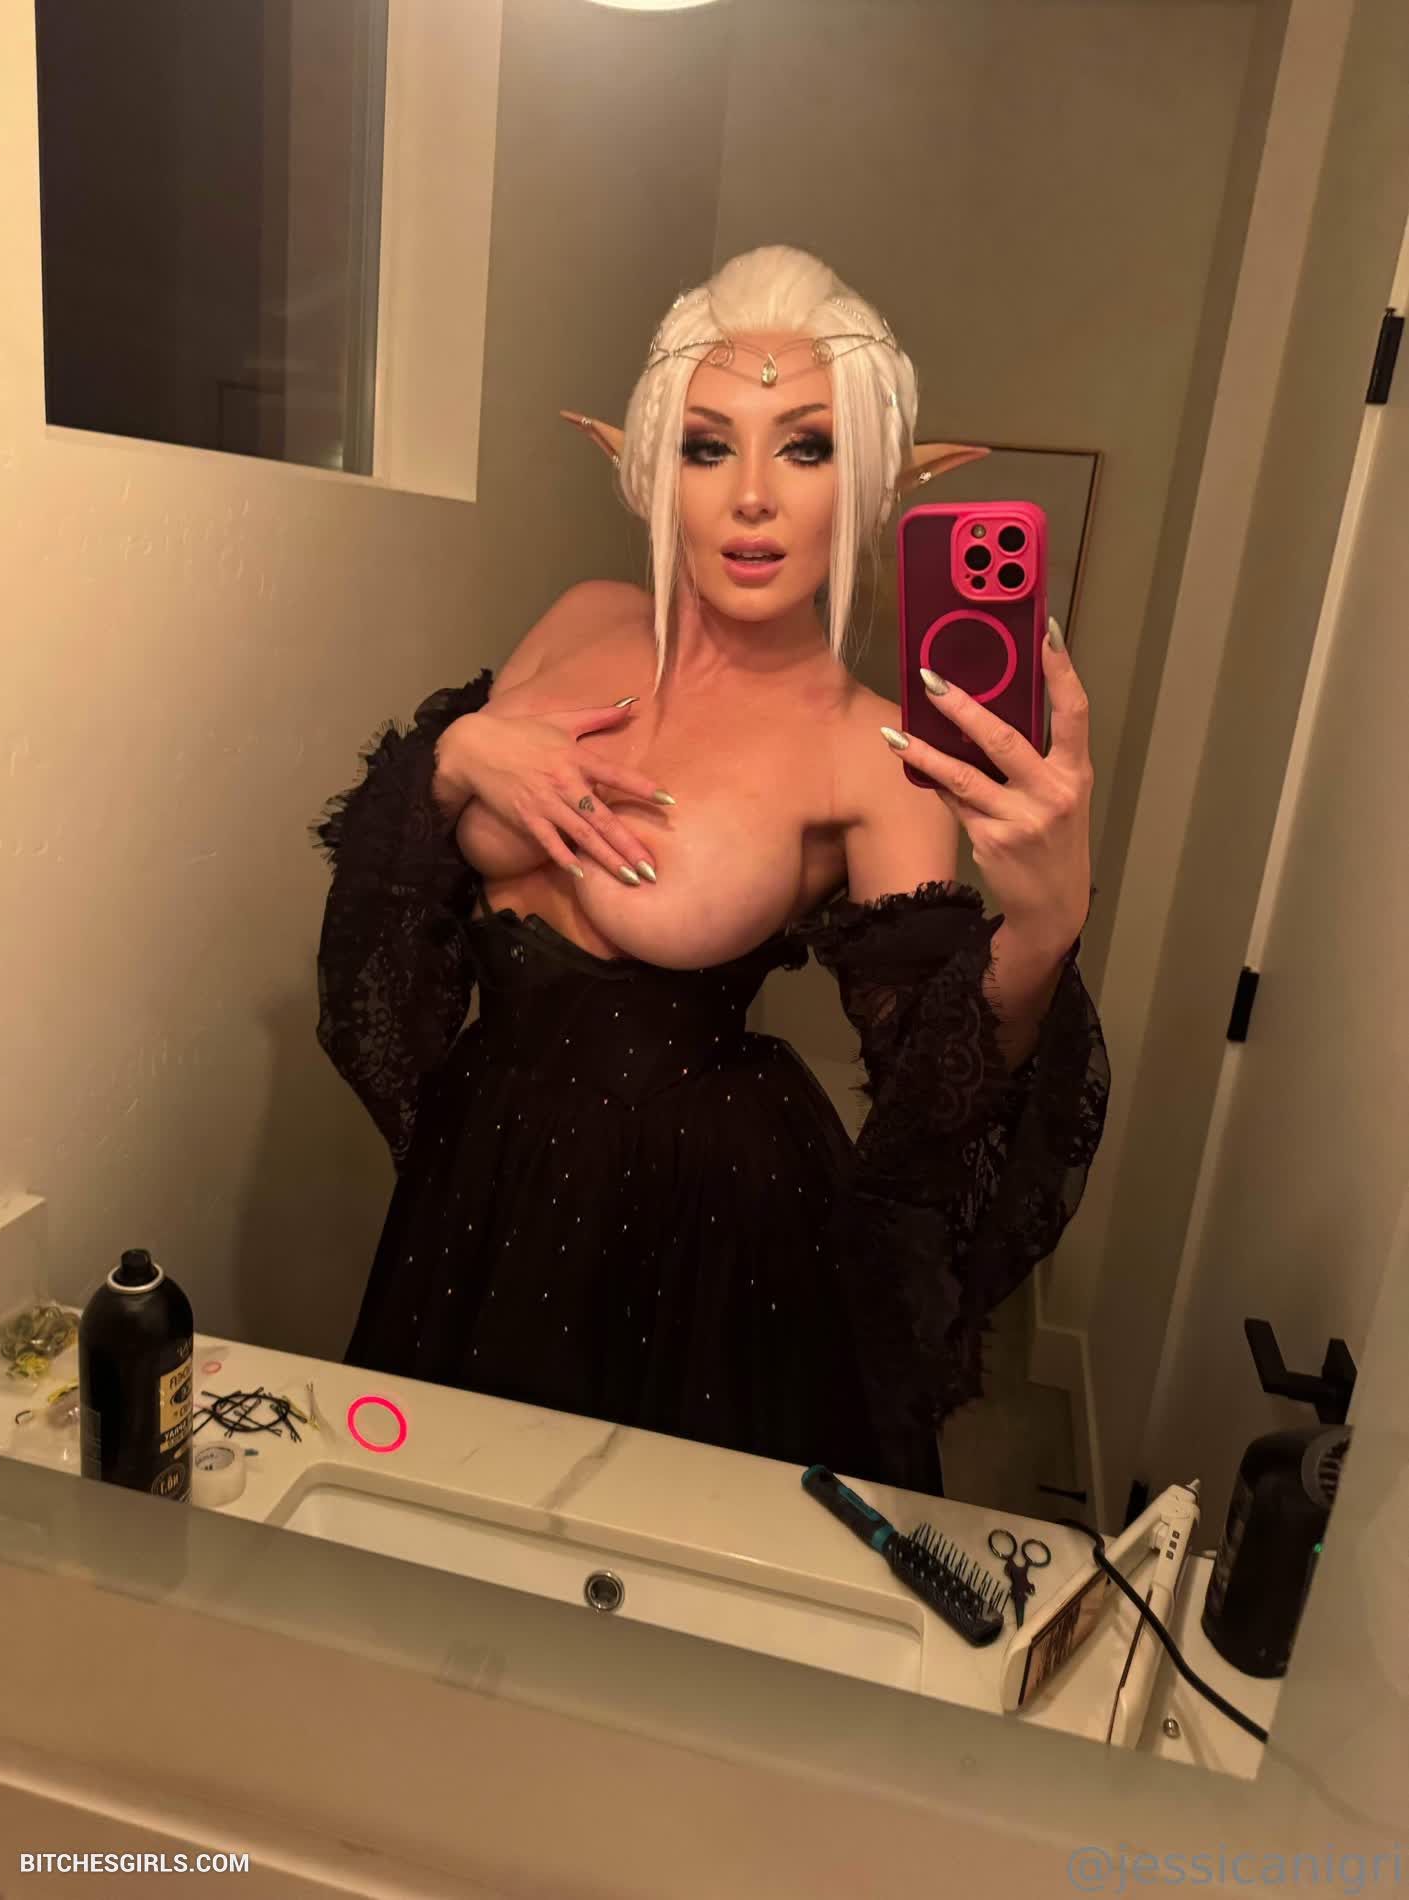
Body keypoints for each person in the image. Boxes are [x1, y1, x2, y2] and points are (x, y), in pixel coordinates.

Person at [314, 245, 1109, 1498]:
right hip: (482, 1164)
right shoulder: (580, 615)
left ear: (873, 481)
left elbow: (934, 1090)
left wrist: (1045, 923)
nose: (751, 498)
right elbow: (392, 889)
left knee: (635, 1551)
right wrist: (458, 757)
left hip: (689, 1216)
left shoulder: (872, 752)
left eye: (807, 448)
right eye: (705, 445)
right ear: (651, 468)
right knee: (435, 1516)